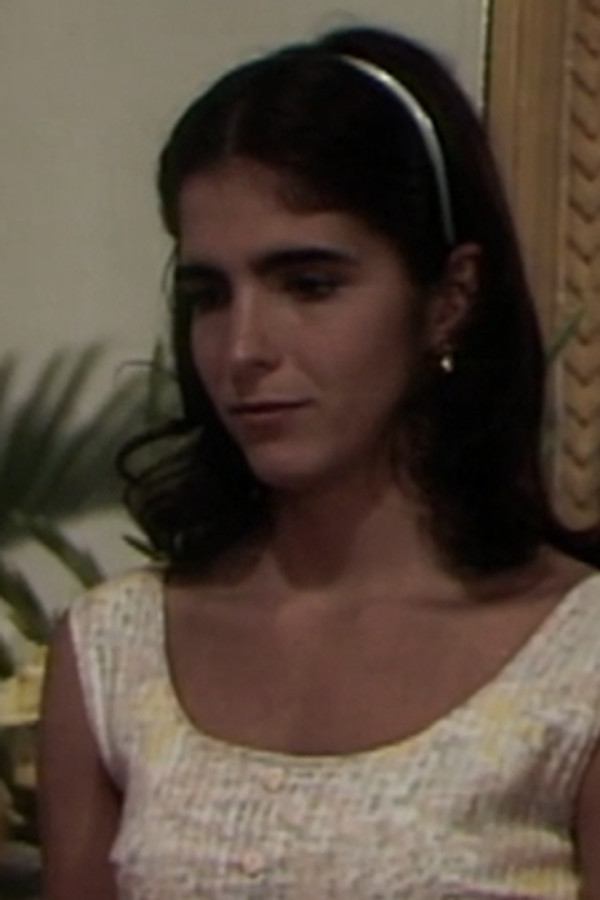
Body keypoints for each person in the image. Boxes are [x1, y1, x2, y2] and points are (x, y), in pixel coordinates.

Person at [39, 24, 600, 900]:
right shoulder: (115, 655)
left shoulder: (578, 659)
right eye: (209, 296)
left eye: (309, 285)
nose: (243, 349)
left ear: (449, 298)